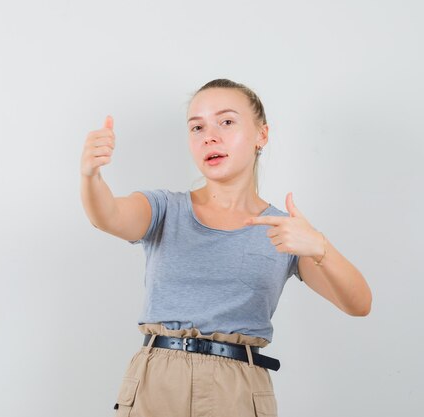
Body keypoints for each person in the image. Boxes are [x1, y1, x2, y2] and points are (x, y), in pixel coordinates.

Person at [80, 78, 372, 417]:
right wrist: (91, 177)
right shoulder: (163, 209)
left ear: (262, 135)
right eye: (197, 127)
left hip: (239, 389)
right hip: (157, 382)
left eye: (227, 121)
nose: (209, 136)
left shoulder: (284, 230)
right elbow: (109, 215)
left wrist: (320, 247)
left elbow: (359, 304)